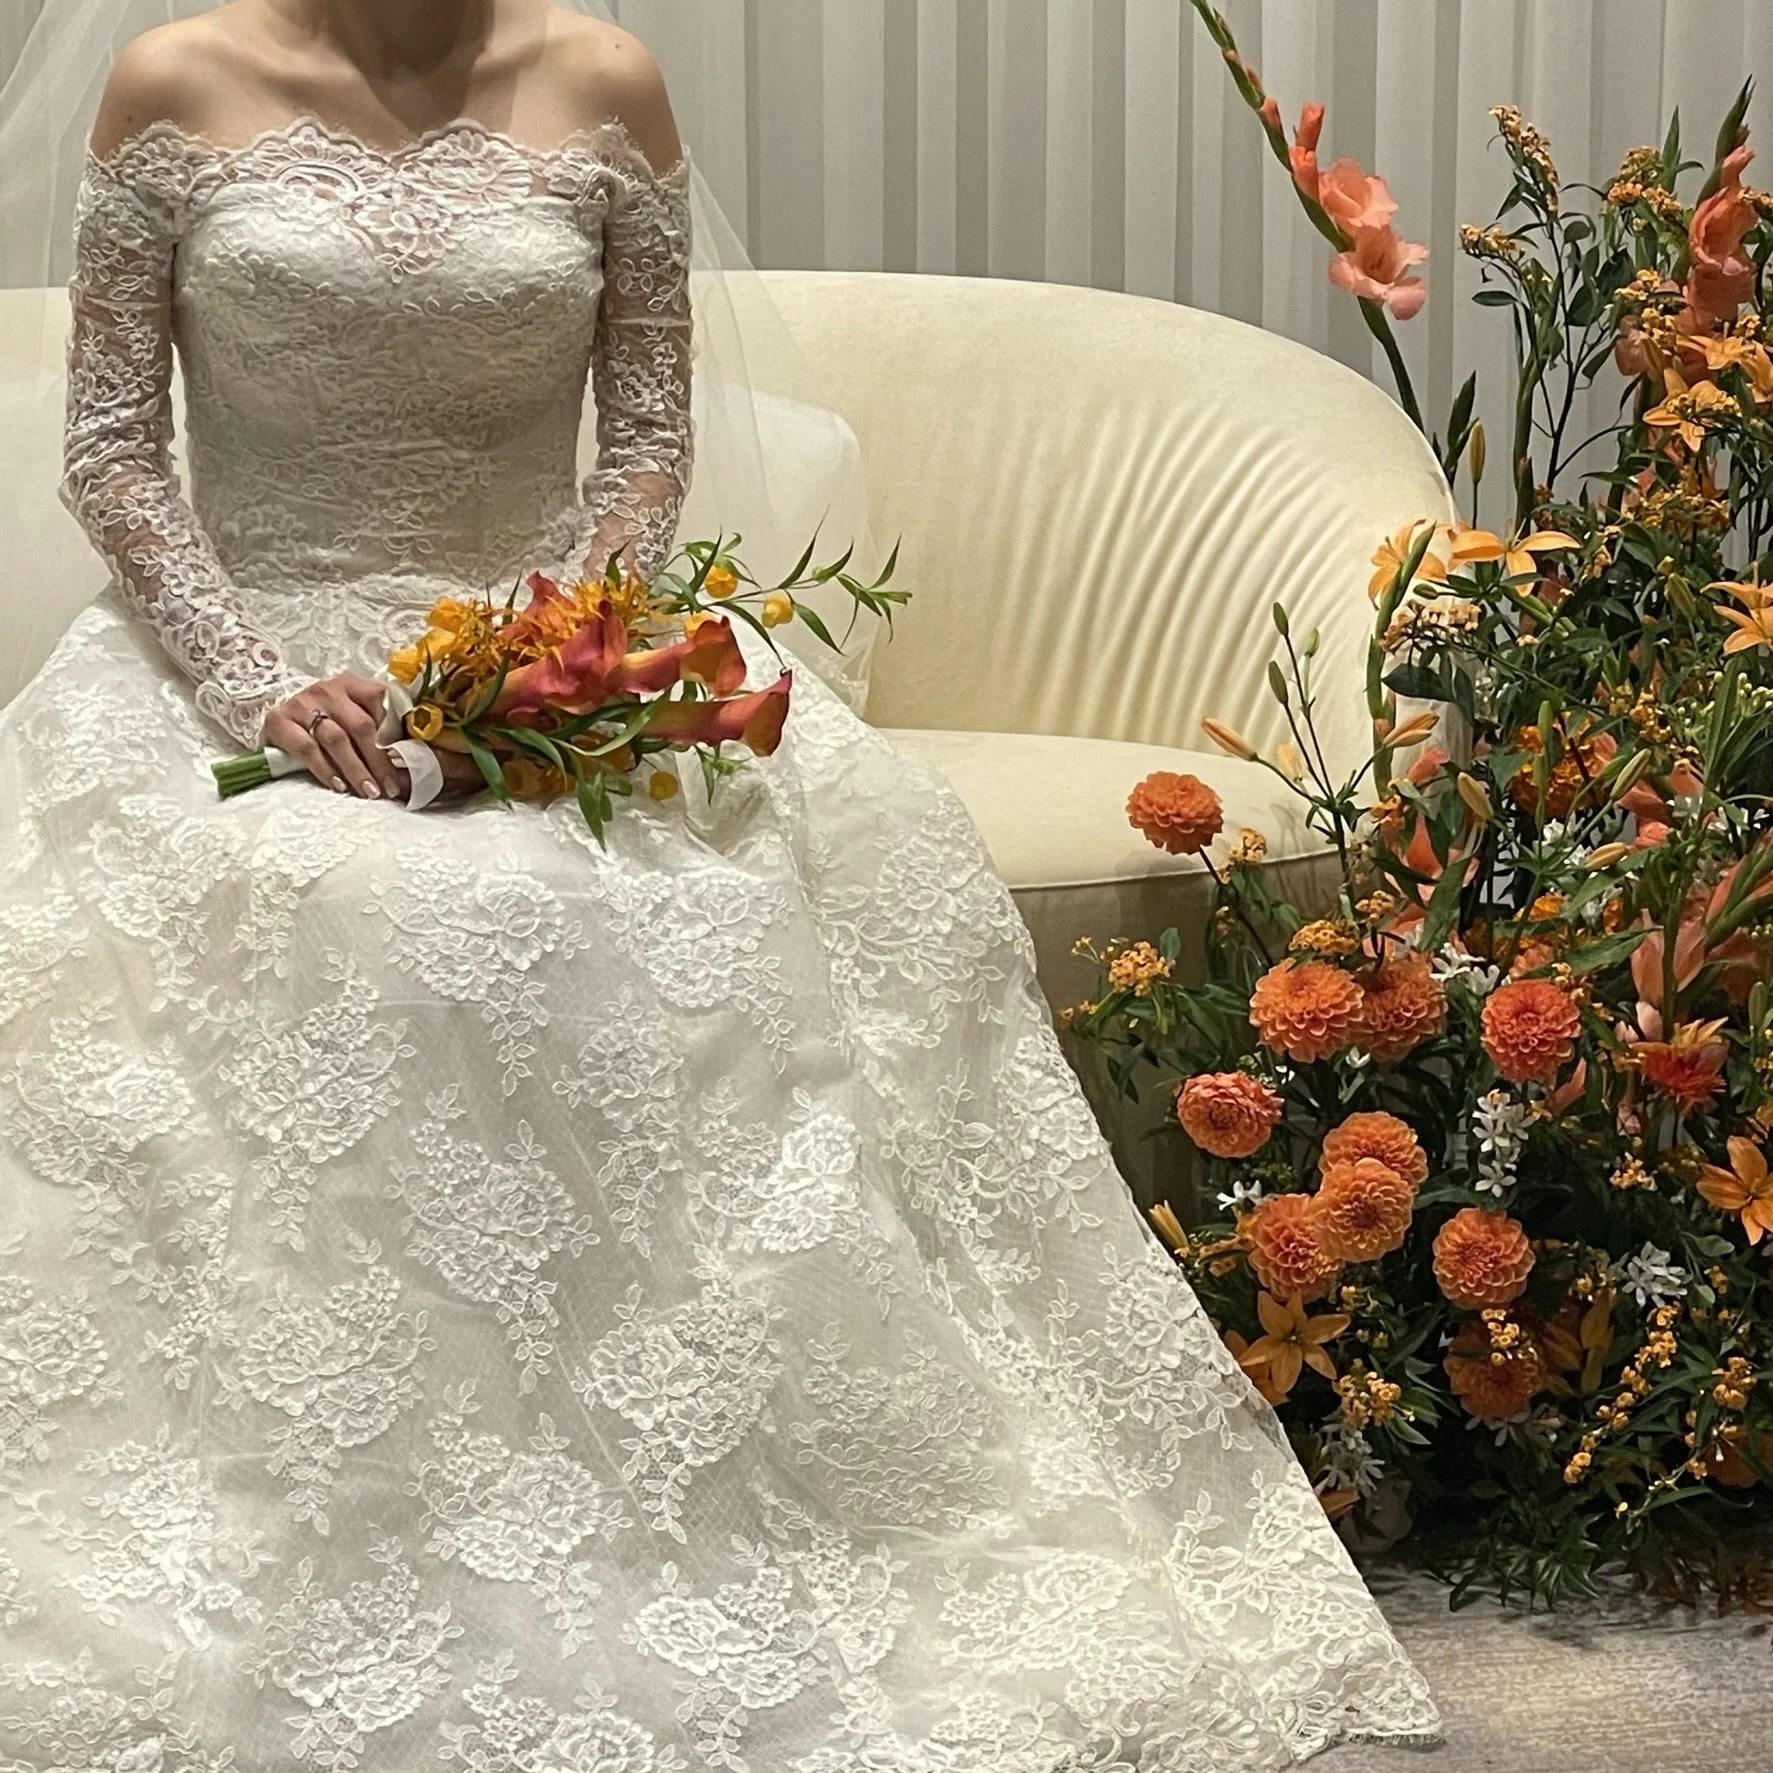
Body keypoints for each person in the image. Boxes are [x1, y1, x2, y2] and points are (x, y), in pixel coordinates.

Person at [0, 3, 1438, 1767]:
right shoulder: (171, 80)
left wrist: (532, 669)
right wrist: (255, 686)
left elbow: (645, 452)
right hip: (248, 665)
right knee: (323, 898)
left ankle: (731, 1509)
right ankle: (337, 1524)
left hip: (546, 654)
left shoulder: (604, 81)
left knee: (654, 901)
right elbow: (113, 454)